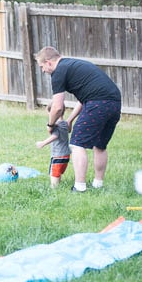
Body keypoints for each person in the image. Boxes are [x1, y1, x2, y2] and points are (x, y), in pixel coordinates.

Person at [35, 46, 121, 192]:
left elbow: (57, 107)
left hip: (97, 103)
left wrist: (50, 124)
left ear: (48, 62)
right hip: (114, 103)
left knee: (77, 144)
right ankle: (98, 184)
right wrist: (69, 120)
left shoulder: (58, 72)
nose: (43, 71)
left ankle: (79, 187)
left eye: (42, 67)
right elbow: (84, 98)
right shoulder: (73, 65)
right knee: (100, 145)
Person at [36, 102, 73, 188]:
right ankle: (57, 185)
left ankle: (54, 189)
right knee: (58, 173)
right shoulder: (64, 123)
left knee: (54, 174)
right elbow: (69, 130)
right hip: (66, 156)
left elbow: (55, 136)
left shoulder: (57, 126)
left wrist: (43, 143)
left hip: (57, 156)